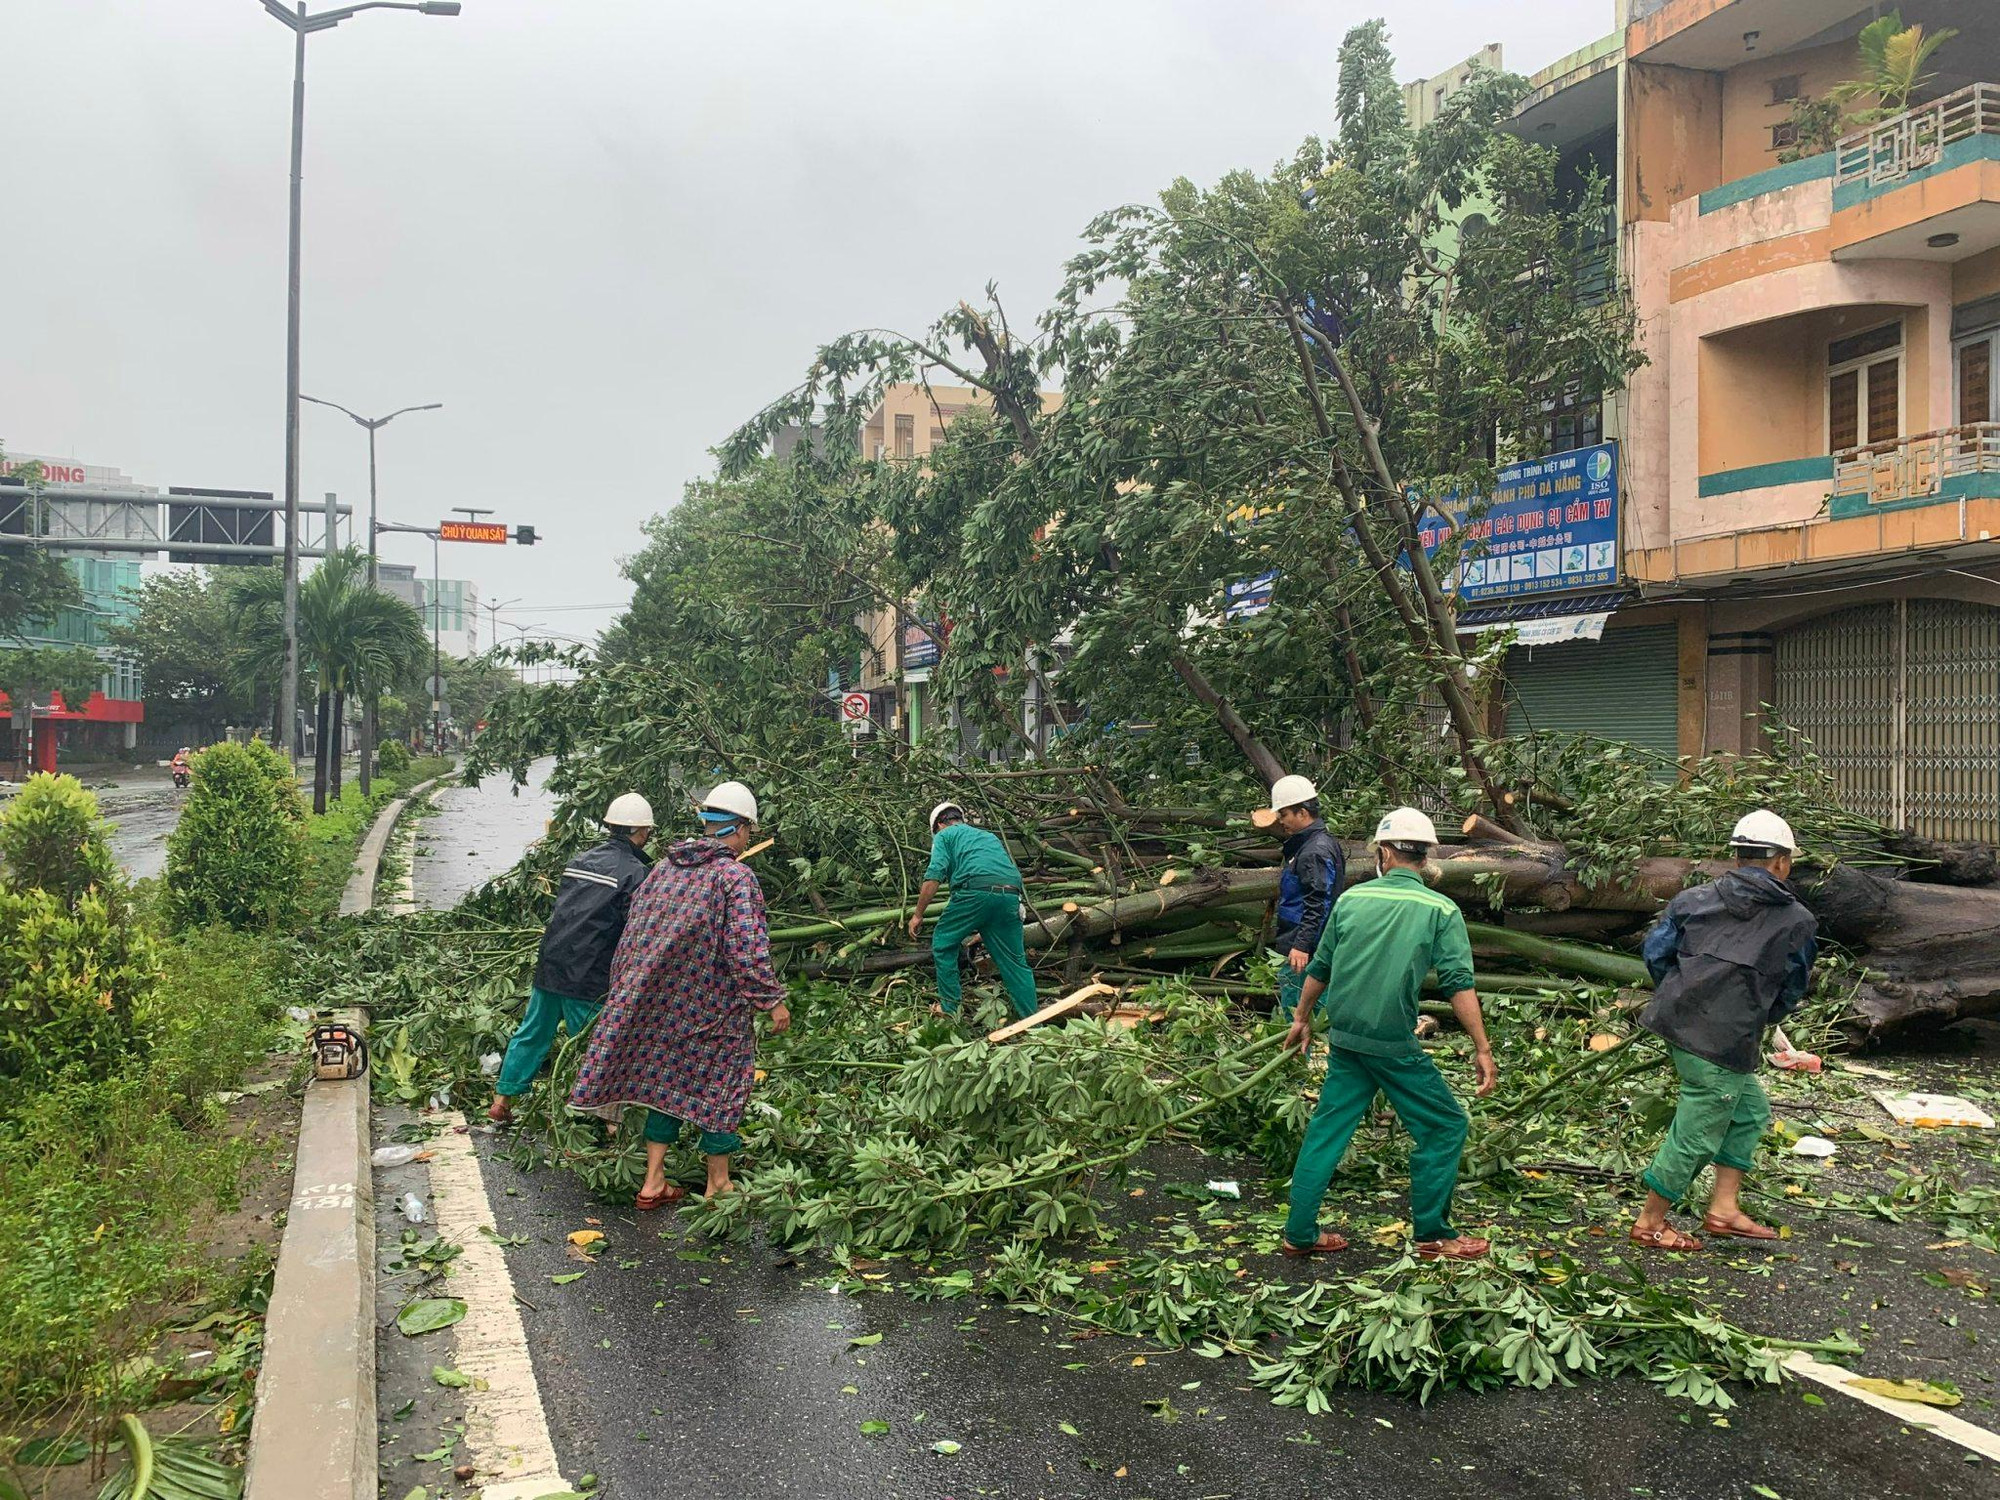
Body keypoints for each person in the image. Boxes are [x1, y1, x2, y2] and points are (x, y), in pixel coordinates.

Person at [1279, 807, 1498, 1262]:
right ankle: (1433, 1235)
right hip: (1392, 1042)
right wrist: (1482, 1046)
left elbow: (1320, 967)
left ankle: (1299, 1232)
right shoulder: (1440, 908)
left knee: (1327, 1129)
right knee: (1445, 1126)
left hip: (1346, 1035)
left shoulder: (1352, 900)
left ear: (1384, 852)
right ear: (1424, 856)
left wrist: (1301, 1018)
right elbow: (1459, 983)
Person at [570, 780, 791, 1207]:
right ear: (741, 828)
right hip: (712, 1007)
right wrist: (770, 1000)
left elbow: (633, 934)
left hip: (659, 1004)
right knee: (723, 1084)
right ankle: (719, 1182)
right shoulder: (734, 877)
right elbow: (746, 947)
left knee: (665, 1085)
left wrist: (627, 993)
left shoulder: (663, 870)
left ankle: (653, 1181)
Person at [1629, 810, 1818, 1251]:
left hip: (1682, 1026)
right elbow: (1792, 988)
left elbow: (1656, 953)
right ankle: (1650, 1222)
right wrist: (1756, 1013)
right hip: (1721, 1038)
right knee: (1698, 1130)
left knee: (1748, 1110)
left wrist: (1682, 993)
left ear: (1737, 856)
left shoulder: (1692, 899)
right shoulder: (1797, 921)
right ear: (1781, 862)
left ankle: (1724, 1209)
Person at [486, 793, 656, 1127]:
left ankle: (502, 1100)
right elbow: (634, 929)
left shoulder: (580, 860)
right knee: (597, 1043)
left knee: (533, 1032)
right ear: (641, 832)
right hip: (588, 973)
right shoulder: (637, 873)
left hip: (551, 962)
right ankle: (609, 1120)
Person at [906, 800, 1038, 1020]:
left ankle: (952, 1014)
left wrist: (918, 914)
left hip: (974, 893)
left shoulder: (944, 836)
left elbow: (934, 876)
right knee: (1015, 962)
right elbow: (1002, 871)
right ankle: (1034, 1023)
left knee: (942, 942)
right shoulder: (988, 837)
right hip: (1010, 896)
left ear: (939, 825)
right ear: (960, 819)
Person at [1254, 774, 1345, 1019]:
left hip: (1306, 951)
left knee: (1303, 1012)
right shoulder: (1312, 845)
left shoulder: (1315, 851)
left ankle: (1306, 1056)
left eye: (1284, 815)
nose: (1280, 821)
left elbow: (1319, 902)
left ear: (1302, 813)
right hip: (1304, 945)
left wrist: (1302, 945)